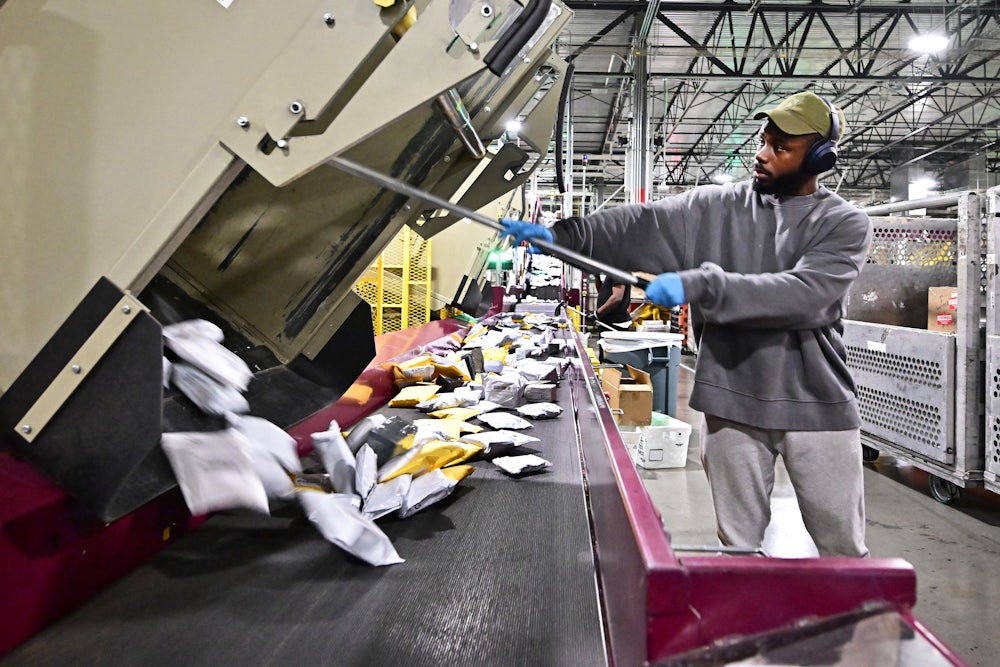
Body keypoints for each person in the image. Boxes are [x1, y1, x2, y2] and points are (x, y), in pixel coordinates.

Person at [502, 91, 872, 558]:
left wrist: (702, 284)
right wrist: (561, 236)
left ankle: (854, 629)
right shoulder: (714, 207)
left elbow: (803, 296)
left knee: (843, 549)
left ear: (819, 158)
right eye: (763, 140)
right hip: (731, 403)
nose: (760, 154)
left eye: (780, 147)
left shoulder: (844, 223)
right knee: (739, 548)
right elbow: (639, 225)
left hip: (817, 406)